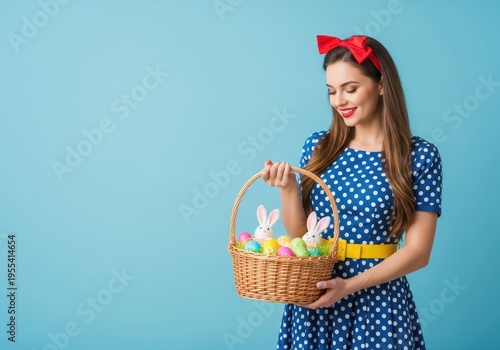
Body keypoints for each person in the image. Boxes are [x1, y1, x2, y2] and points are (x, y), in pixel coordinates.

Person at [260, 35, 442, 350]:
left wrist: (349, 286)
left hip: (378, 300)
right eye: (332, 91)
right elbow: (305, 236)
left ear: (382, 85)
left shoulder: (419, 156)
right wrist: (288, 189)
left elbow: (418, 252)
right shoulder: (319, 147)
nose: (339, 101)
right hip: (316, 293)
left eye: (350, 89)